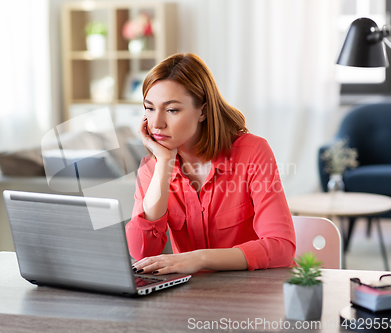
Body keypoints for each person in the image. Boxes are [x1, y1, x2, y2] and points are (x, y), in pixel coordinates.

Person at [126, 53, 296, 275]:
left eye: (171, 110)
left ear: (203, 111)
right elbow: (141, 252)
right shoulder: (153, 168)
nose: (156, 123)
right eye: (149, 108)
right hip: (193, 297)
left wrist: (201, 258)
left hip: (253, 291)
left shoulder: (252, 152)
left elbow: (281, 247)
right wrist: (164, 164)